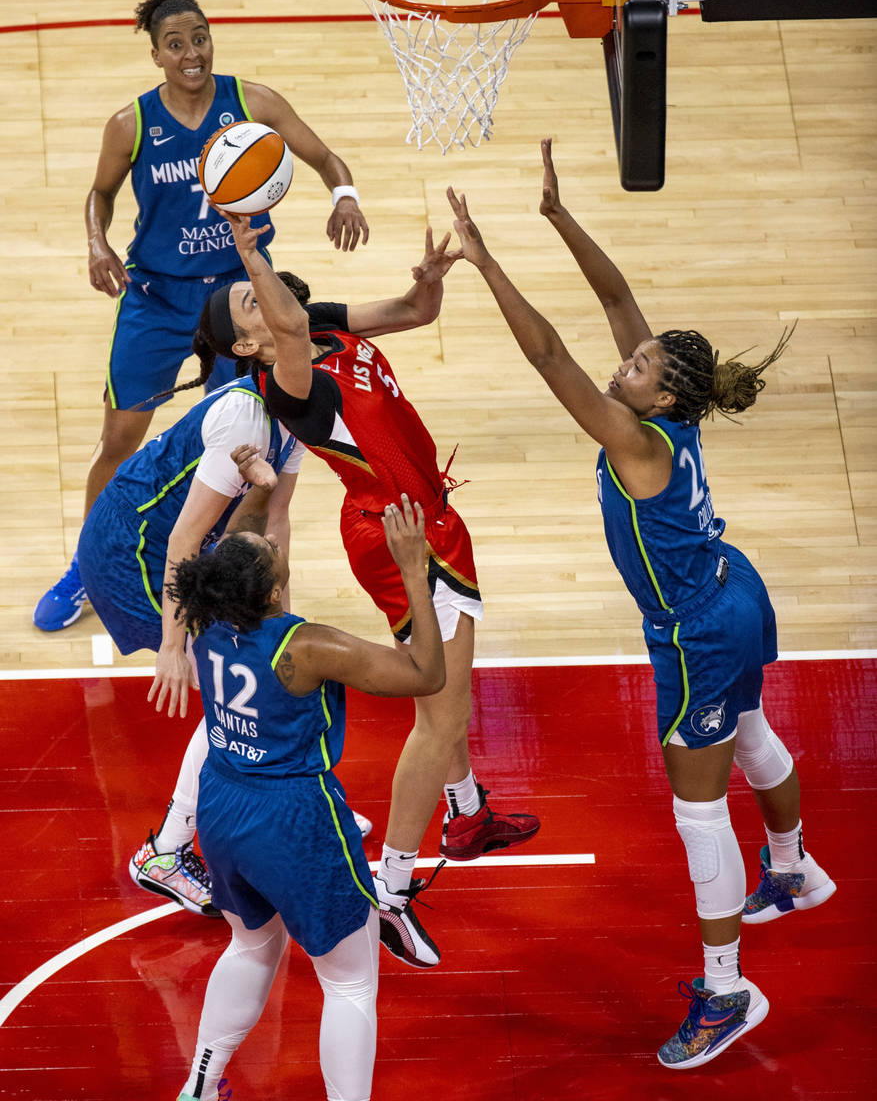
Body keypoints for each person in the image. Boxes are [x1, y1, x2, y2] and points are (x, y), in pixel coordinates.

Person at [444, 139, 836, 1070]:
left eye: (639, 364)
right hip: (730, 589)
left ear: (658, 393)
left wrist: (486, 256)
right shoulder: (674, 410)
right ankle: (792, 869)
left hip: (697, 628)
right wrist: (555, 215)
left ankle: (729, 991)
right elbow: (619, 303)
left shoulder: (635, 439)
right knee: (747, 735)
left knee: (697, 813)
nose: (627, 360)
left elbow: (550, 356)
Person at [192, 212, 540, 968]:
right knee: (440, 714)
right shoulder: (289, 383)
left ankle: (469, 813)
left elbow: (414, 314)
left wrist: (430, 282)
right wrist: (248, 251)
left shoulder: (319, 321)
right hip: (398, 532)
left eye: (258, 288)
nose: (263, 295)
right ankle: (392, 890)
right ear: (249, 346)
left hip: (423, 515)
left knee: (443, 703)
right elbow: (284, 329)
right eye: (249, 302)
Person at [34, 0, 369, 633]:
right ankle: (85, 565)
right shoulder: (130, 124)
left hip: (236, 302)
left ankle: (229, 567)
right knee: (120, 437)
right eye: (175, 43)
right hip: (156, 299)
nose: (192, 52)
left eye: (199, 37)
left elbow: (324, 155)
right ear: (156, 54)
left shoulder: (253, 102)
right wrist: (97, 242)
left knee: (251, 444)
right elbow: (98, 195)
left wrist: (344, 196)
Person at [169, 491, 445, 1101]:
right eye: (269, 547)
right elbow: (427, 674)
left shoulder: (206, 616)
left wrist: (260, 488)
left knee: (252, 947)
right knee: (349, 983)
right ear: (272, 593)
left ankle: (200, 1085)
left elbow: (235, 546)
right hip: (293, 818)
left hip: (221, 806)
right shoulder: (306, 648)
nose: (271, 538)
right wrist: (412, 572)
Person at [76, 364, 303, 917]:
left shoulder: (298, 412)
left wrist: (281, 629)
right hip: (132, 553)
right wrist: (174, 646)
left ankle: (297, 807)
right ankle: (166, 851)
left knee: (269, 672)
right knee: (236, 687)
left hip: (185, 548)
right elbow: (185, 537)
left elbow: (273, 524)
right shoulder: (244, 416)